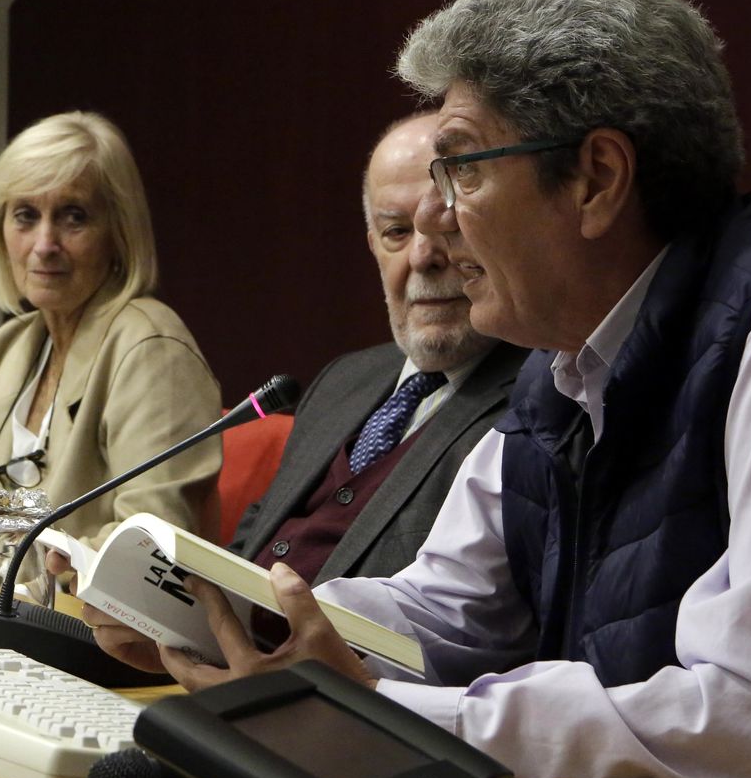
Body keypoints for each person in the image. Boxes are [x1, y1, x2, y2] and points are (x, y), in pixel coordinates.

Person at [97, 0, 751, 778]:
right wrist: (235, 622)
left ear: (597, 179)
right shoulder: (559, 367)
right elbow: (446, 610)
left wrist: (379, 708)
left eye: (462, 168)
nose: (435, 217)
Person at [225, 112, 527, 583]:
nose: (422, 256)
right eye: (397, 232)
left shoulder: (541, 400)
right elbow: (247, 548)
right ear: (374, 246)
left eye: (450, 224)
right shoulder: (343, 379)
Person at [0, 111, 221, 564]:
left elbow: (149, 542)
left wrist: (24, 589)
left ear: (118, 232)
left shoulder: (151, 348)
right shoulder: (2, 351)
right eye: (25, 216)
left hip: (80, 610)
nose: (44, 244)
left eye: (74, 217)